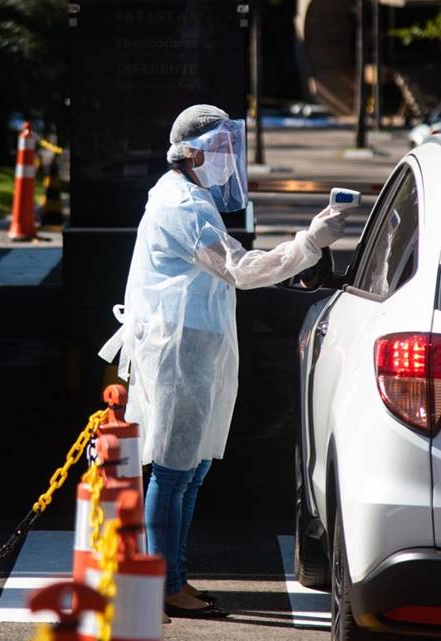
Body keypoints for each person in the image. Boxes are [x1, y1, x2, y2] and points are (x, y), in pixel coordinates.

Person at [99, 105, 346, 618]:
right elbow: (239, 269)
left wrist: (302, 252)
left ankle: (173, 578)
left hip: (197, 348)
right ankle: (164, 584)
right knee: (173, 471)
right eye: (217, 149)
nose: (225, 159)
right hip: (179, 350)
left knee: (192, 470)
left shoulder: (192, 198)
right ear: (188, 154)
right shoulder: (182, 206)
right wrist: (309, 243)